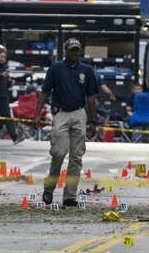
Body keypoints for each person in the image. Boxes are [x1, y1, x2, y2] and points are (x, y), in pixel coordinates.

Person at [35, 38, 98, 207]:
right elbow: (44, 92)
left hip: (79, 113)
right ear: (65, 51)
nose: (74, 53)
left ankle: (70, 195)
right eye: (71, 50)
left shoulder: (87, 70)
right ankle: (49, 188)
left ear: (80, 51)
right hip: (61, 113)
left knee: (76, 157)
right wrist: (36, 115)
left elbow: (91, 97)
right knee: (59, 152)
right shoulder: (56, 69)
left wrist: (93, 121)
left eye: (77, 50)